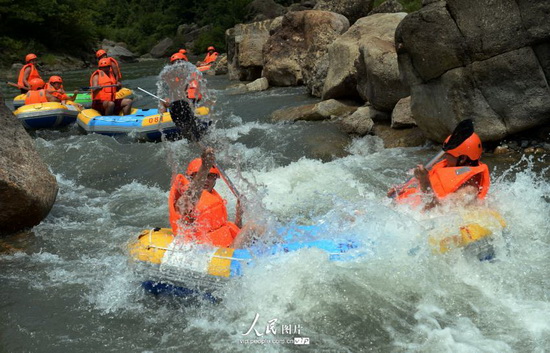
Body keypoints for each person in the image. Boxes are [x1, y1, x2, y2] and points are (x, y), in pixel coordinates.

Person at [169, 148, 257, 248]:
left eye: (210, 176)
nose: (206, 180)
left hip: (224, 249)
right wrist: (205, 167)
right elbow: (193, 194)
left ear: (215, 179)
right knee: (252, 226)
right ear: (190, 178)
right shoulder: (184, 201)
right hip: (202, 251)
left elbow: (227, 231)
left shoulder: (213, 198)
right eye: (202, 176)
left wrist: (239, 215)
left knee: (260, 225)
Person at [390, 132, 490, 210]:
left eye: (448, 154)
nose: (445, 157)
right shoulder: (447, 167)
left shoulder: (468, 190)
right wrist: (401, 192)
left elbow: (436, 210)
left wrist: (425, 181)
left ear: (462, 158)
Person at [158, 54, 208, 140]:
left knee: (163, 101)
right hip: (194, 100)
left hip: (186, 101)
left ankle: (164, 117)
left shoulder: (176, 75)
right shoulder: (193, 71)